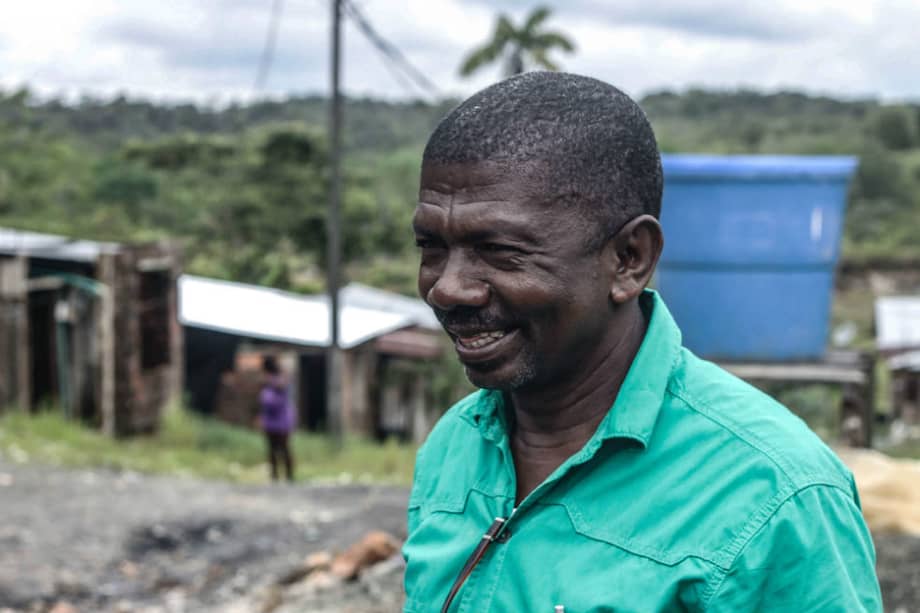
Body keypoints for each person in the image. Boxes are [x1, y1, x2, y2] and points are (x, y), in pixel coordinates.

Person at [403, 72, 882, 613]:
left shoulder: (776, 496)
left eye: (499, 250)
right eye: (431, 246)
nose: (446, 287)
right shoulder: (454, 446)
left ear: (630, 258)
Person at [258, 355, 295, 482]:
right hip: (270, 420)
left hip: (282, 420)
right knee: (272, 449)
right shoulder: (267, 382)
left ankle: (289, 477)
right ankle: (274, 477)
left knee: (284, 449)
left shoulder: (279, 380)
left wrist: (272, 380)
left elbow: (282, 385)